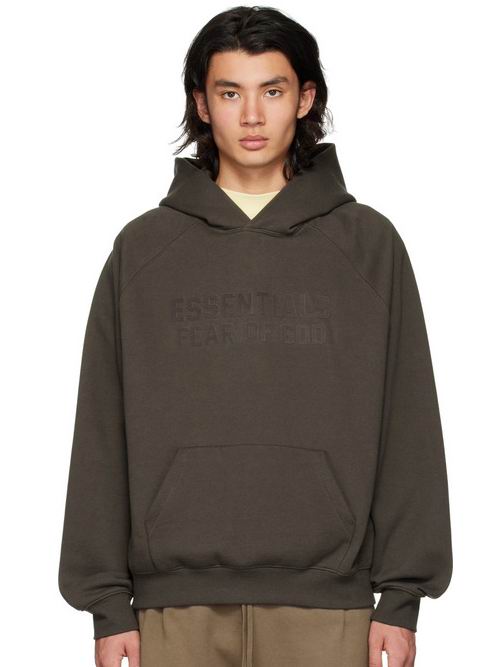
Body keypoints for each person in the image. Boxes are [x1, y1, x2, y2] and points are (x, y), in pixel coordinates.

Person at [58, 6, 453, 667]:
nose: (251, 116)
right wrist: (106, 601)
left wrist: (402, 596)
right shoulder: (143, 251)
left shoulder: (368, 246)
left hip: (332, 610)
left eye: (271, 90)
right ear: (201, 104)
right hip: (169, 613)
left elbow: (407, 420)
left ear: (305, 98)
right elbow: (101, 427)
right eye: (229, 92)